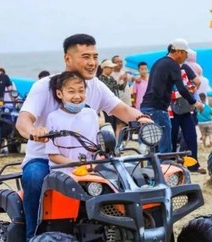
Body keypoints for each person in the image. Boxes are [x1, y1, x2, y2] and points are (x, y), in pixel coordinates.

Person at [15, 33, 151, 241]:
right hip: (45, 158)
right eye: (85, 56)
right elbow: (23, 120)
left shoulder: (96, 86)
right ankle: (34, 236)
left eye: (95, 56)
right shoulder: (44, 86)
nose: (92, 63)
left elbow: (122, 109)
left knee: (127, 176)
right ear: (67, 59)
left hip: (88, 158)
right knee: (34, 178)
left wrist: (142, 119)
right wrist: (34, 131)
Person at [140, 38, 203, 154]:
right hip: (158, 109)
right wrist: (195, 102)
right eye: (185, 53)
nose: (186, 56)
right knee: (165, 148)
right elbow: (181, 89)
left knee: (152, 146)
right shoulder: (173, 65)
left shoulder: (159, 62)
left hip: (145, 107)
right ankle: (165, 169)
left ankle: (151, 169)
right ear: (178, 52)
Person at [45, 71, 98, 174]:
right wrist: (76, 164)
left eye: (81, 91)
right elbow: (53, 155)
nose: (77, 96)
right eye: (71, 91)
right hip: (62, 173)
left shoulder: (91, 114)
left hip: (89, 171)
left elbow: (95, 148)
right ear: (59, 94)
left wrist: (93, 164)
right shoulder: (53, 118)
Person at [98, 59, 128, 136]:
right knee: (109, 124)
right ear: (104, 68)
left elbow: (119, 88)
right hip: (107, 105)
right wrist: (119, 79)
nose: (112, 70)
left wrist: (125, 81)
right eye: (110, 68)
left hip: (114, 104)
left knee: (115, 125)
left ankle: (114, 141)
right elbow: (109, 88)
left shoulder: (111, 78)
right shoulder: (101, 79)